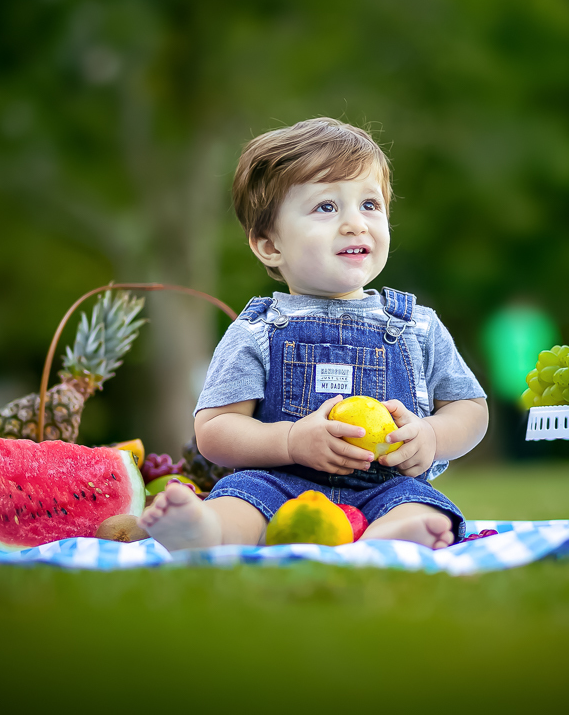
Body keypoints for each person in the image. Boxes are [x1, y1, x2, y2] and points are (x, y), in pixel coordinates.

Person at [140, 117, 488, 550]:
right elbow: (214, 430)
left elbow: (470, 408)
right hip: (279, 483)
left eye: (369, 205)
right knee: (242, 500)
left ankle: (391, 536)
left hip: (384, 489)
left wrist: (433, 437)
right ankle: (207, 531)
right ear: (270, 244)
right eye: (327, 207)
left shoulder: (416, 325)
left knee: (421, 504)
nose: (355, 224)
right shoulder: (257, 329)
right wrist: (289, 441)